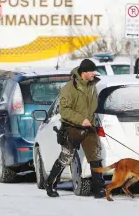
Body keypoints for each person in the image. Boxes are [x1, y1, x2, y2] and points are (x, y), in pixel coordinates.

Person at [44, 59, 106, 199]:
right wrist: (80, 120)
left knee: (95, 156)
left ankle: (99, 189)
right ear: (84, 73)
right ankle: (50, 184)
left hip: (88, 127)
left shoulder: (92, 86)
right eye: (92, 71)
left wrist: (90, 122)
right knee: (66, 157)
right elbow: (65, 111)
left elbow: (92, 107)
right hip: (72, 127)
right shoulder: (68, 88)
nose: (94, 74)